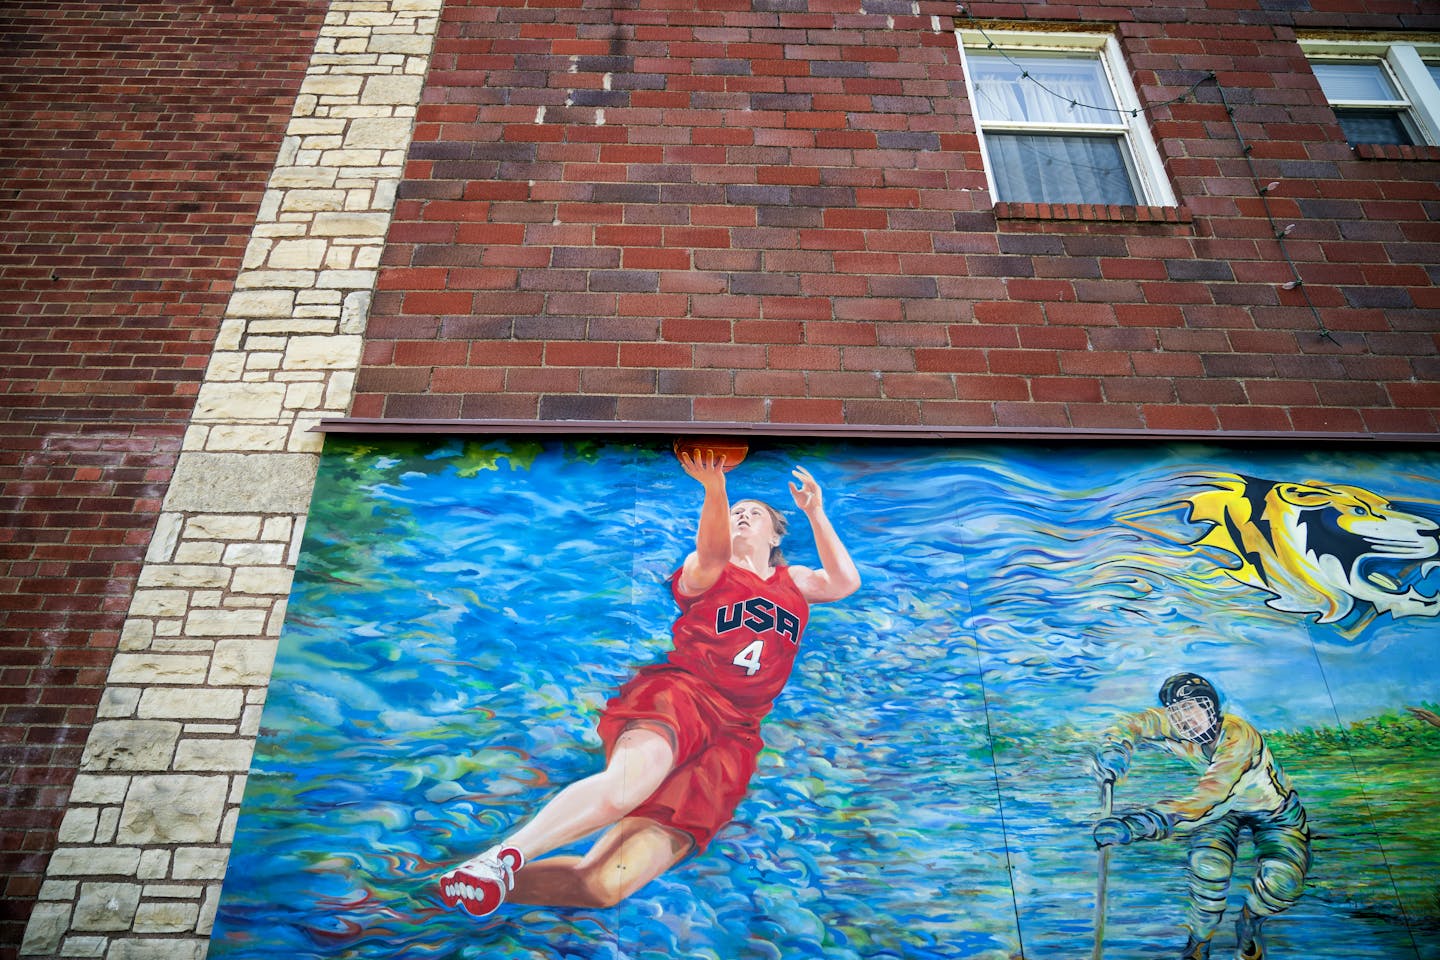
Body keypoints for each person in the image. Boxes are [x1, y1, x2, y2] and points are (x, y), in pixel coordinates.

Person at [437, 450, 861, 917]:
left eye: (753, 513)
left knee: (602, 885)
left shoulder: (794, 581)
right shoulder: (707, 567)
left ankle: (467, 884)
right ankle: (500, 858)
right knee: (624, 787)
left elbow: (844, 582)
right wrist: (715, 489)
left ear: (776, 532)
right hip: (685, 694)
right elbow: (714, 548)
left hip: (736, 734)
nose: (741, 516)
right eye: (736, 511)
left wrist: (816, 512)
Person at [1091, 673, 1310, 960]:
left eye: (1194, 709)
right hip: (1220, 813)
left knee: (1284, 883)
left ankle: (1251, 919)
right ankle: (1198, 944)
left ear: (1212, 709)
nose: (1186, 721)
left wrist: (1141, 823)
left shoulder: (1239, 738)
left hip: (1273, 812)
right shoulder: (1175, 724)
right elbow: (1130, 723)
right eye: (1178, 713)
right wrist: (1116, 747)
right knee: (1208, 868)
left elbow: (1209, 797)